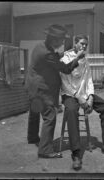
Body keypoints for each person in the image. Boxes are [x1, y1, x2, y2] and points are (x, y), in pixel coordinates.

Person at [60, 34, 104, 170]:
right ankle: (76, 154)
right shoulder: (65, 59)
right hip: (70, 95)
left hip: (85, 94)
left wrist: (90, 96)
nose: (84, 46)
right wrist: (79, 98)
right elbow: (65, 83)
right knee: (71, 111)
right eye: (82, 44)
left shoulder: (86, 61)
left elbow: (89, 80)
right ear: (75, 43)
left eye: (86, 44)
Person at [25, 24, 86, 159]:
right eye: (61, 40)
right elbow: (65, 68)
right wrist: (77, 58)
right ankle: (45, 150)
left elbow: (54, 55)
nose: (63, 42)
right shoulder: (47, 53)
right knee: (50, 114)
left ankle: (32, 137)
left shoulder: (41, 46)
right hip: (40, 88)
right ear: (54, 39)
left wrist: (68, 51)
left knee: (35, 111)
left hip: (32, 86)